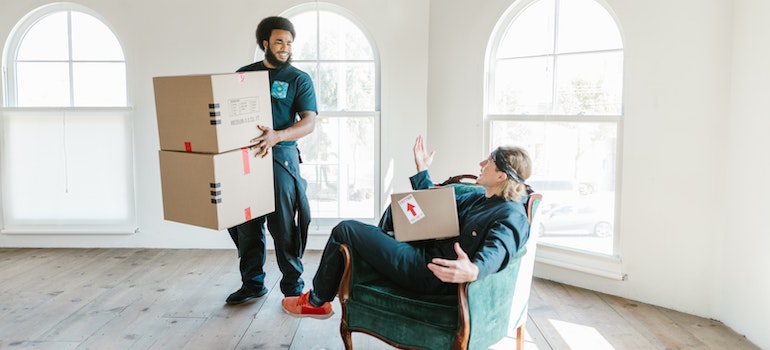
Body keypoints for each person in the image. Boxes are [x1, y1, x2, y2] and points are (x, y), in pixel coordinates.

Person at [281, 135, 532, 318]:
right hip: (425, 250)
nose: (480, 164)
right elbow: (435, 206)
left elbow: (500, 248)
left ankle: (316, 301)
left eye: (488, 162)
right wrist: (422, 169)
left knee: (344, 229)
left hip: (428, 271)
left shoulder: (511, 214)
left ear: (502, 176)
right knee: (397, 208)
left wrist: (474, 270)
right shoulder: (481, 196)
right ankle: (369, 268)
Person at [225, 16, 318, 305]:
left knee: (285, 228)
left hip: (281, 159)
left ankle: (292, 287)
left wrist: (277, 136)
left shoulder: (298, 79)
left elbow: (309, 123)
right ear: (265, 43)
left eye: (289, 43)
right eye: (279, 41)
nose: (285, 47)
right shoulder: (243, 75)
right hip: (246, 161)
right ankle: (252, 284)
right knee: (246, 225)